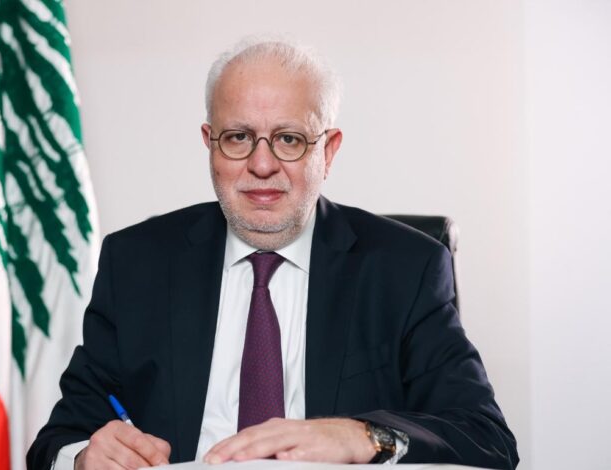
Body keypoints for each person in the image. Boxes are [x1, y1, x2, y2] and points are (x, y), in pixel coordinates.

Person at [27, 39, 518, 470]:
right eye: (238, 137)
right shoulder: (136, 263)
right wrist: (84, 456)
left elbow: (487, 438)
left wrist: (363, 436)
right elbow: (58, 439)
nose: (261, 164)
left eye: (289, 139)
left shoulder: (405, 268)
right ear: (210, 145)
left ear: (328, 151)